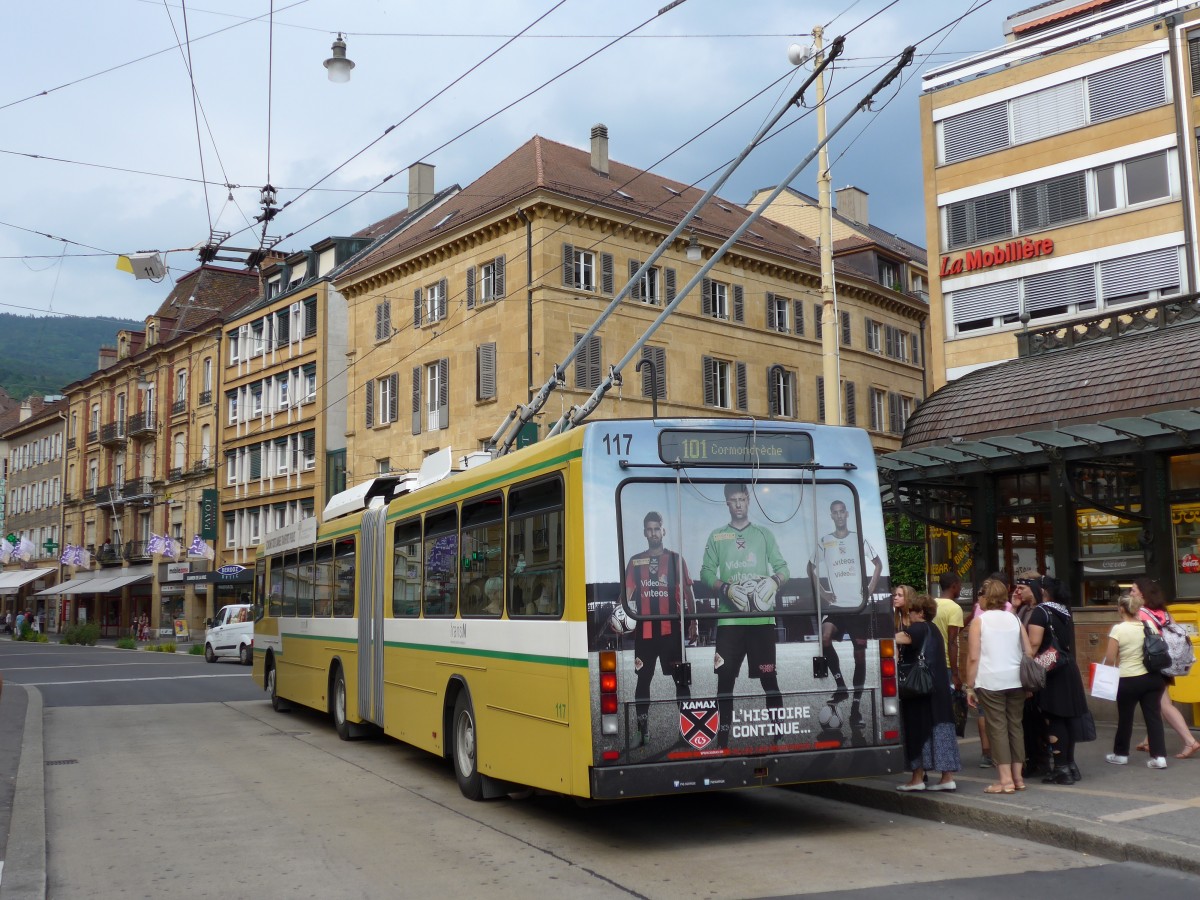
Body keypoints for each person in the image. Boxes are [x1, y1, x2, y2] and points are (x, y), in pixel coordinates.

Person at [701, 483, 789, 750]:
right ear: (726, 503)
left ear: (748, 500)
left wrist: (774, 581)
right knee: (724, 682)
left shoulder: (764, 534)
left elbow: (784, 568)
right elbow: (705, 573)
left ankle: (779, 734)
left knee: (768, 679)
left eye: (742, 499)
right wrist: (725, 588)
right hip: (729, 623)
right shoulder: (717, 536)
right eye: (733, 500)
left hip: (761, 622)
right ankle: (723, 740)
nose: (738, 504)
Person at [622, 511, 697, 747]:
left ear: (663, 531)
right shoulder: (635, 562)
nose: (654, 533)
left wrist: (694, 621)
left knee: (681, 682)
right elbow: (626, 595)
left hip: (671, 634)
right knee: (642, 682)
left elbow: (688, 593)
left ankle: (686, 731)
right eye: (649, 529)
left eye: (658, 528)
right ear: (644, 532)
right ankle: (642, 732)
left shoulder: (676, 559)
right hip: (645, 635)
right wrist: (619, 617)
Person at [808, 498, 882, 725]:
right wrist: (823, 593)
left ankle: (856, 709)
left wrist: (870, 588)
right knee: (824, 637)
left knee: (860, 655)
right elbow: (810, 567)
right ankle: (841, 685)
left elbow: (878, 564)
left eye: (842, 512)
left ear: (847, 514)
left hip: (858, 607)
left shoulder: (859, 539)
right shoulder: (825, 541)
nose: (839, 516)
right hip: (838, 607)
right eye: (835, 512)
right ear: (832, 516)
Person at [964, 577, 1033, 793]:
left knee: (997, 728)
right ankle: (1018, 778)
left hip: (991, 681)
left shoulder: (980, 622)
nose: (979, 600)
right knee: (1016, 726)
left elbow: (973, 657)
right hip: (1016, 680)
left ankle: (1005, 781)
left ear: (986, 597)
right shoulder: (1014, 619)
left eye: (980, 596)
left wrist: (969, 686)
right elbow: (1028, 652)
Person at [1025, 576, 1089, 784]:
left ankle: (1061, 769)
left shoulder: (1041, 611)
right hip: (1067, 666)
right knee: (1068, 719)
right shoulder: (1064, 611)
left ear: (1043, 591)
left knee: (1054, 718)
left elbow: (1034, 644)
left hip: (1051, 671)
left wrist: (1026, 666)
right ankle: (1070, 765)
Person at [894, 593, 961, 792]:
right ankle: (947, 777)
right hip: (938, 688)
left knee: (918, 730)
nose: (910, 615)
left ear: (921, 612)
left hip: (920, 690)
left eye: (912, 611)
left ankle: (916, 779)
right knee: (940, 729)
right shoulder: (934, 629)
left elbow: (896, 638)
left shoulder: (918, 628)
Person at [1129, 577, 1199, 760]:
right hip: (1168, 661)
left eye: (1133, 590)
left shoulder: (1141, 613)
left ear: (1142, 594)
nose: (1130, 593)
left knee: (1163, 703)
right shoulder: (1163, 612)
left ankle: (1190, 741)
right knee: (1156, 702)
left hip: (1154, 663)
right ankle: (1149, 740)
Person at [1104, 588, 1169, 769]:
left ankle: (1121, 754)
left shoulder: (1118, 629)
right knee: (1153, 717)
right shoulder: (1150, 626)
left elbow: (1110, 658)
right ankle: (1159, 757)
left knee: (1125, 718)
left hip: (1129, 679)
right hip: (1153, 678)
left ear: (1121, 609)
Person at [1012, 572, 1049, 777]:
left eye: (1021, 588)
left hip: (1035, 671)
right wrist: (1015, 607)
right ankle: (1032, 758)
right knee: (1027, 718)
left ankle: (1041, 759)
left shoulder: (1040, 611)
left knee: (1037, 718)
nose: (1017, 591)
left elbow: (1033, 645)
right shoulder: (1024, 609)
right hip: (1026, 668)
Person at [933, 573, 964, 691]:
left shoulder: (932, 604)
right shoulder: (954, 608)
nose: (961, 589)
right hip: (946, 663)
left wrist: (970, 617)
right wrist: (955, 674)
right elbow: (952, 641)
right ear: (954, 586)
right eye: (960, 585)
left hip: (932, 660)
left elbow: (949, 630)